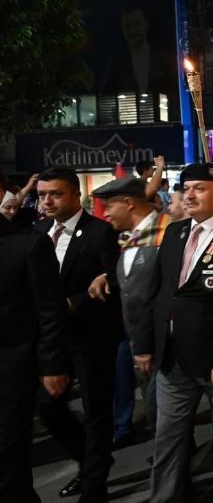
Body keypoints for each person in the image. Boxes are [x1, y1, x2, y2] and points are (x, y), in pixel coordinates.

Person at [133, 162, 213, 503]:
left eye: (198, 189)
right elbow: (158, 292)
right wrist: (145, 344)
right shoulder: (175, 233)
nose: (189, 195)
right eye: (186, 189)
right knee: (167, 440)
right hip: (172, 358)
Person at [35, 167, 122, 502]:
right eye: (42, 195)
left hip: (92, 336)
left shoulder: (101, 232)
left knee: (96, 410)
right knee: (48, 407)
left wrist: (76, 302)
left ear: (75, 195)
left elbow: (116, 280)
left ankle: (93, 486)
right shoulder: (39, 230)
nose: (47, 201)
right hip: (53, 339)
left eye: (55, 194)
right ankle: (91, 459)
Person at [88, 178, 172, 449]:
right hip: (139, 340)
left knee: (166, 418)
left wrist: (146, 346)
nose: (105, 214)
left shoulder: (170, 233)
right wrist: (106, 276)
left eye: (109, 206)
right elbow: (132, 280)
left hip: (165, 343)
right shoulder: (127, 238)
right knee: (157, 412)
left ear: (128, 203)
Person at [0, 186, 69, 503]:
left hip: (13, 367)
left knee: (9, 458)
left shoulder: (28, 244)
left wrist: (52, 365)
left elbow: (49, 310)